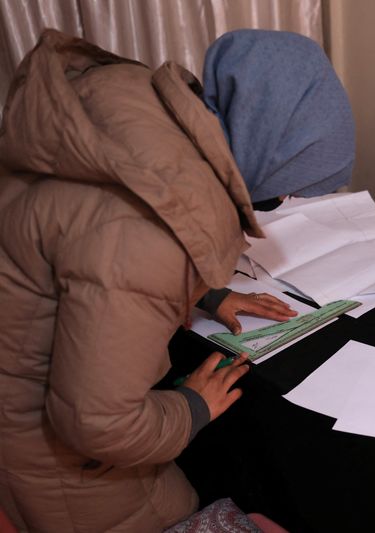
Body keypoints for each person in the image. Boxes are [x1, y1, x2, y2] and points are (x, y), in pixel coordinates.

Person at [0, 30, 258, 531]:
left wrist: (203, 288)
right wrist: (192, 408)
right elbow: (98, 426)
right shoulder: (141, 233)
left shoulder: (124, 108)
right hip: (60, 469)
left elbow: (80, 244)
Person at [195, 29, 356, 334]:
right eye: (287, 185)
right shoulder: (162, 184)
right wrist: (187, 386)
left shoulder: (190, 152)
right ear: (260, 140)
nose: (282, 200)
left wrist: (209, 295)